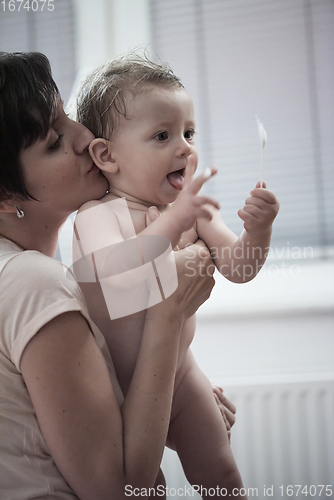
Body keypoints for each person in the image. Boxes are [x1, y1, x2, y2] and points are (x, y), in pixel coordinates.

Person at [0, 51, 231, 500]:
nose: (86, 137)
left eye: (67, 118)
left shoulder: (35, 272)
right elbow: (121, 491)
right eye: (53, 141)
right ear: (6, 198)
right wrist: (170, 311)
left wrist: (173, 400)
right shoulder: (32, 281)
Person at [73, 53, 279, 497]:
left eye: (189, 132)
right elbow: (116, 274)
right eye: (163, 135)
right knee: (149, 490)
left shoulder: (191, 211)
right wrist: (173, 223)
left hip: (179, 373)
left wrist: (257, 231)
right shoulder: (96, 216)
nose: (185, 148)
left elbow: (239, 269)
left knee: (222, 473)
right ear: (106, 155)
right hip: (113, 389)